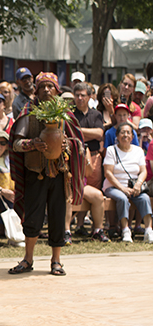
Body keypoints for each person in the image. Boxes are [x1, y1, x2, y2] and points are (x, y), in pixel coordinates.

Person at [8, 72, 85, 276]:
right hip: (36, 173)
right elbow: (16, 143)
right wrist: (32, 144)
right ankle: (28, 259)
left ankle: (56, 260)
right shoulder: (29, 112)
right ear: (36, 91)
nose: (46, 90)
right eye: (42, 87)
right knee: (32, 217)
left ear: (57, 90)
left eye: (50, 87)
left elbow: (78, 142)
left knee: (58, 216)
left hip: (59, 173)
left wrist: (66, 145)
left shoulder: (64, 114)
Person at [69, 82, 109, 242]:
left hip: (94, 156)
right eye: (77, 95)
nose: (79, 98)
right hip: (74, 158)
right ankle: (74, 226)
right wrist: (85, 134)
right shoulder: (70, 114)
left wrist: (77, 131)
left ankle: (94, 228)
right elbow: (68, 134)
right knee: (78, 191)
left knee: (93, 190)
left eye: (83, 95)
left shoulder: (96, 115)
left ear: (89, 96)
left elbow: (99, 133)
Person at [103, 122, 153, 243]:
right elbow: (108, 173)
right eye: (122, 132)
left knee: (145, 198)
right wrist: (122, 188)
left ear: (132, 136)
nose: (125, 135)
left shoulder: (138, 151)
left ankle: (149, 230)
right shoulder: (111, 150)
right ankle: (125, 230)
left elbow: (143, 171)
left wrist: (138, 184)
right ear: (117, 136)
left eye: (128, 132)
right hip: (114, 186)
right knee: (122, 198)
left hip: (133, 186)